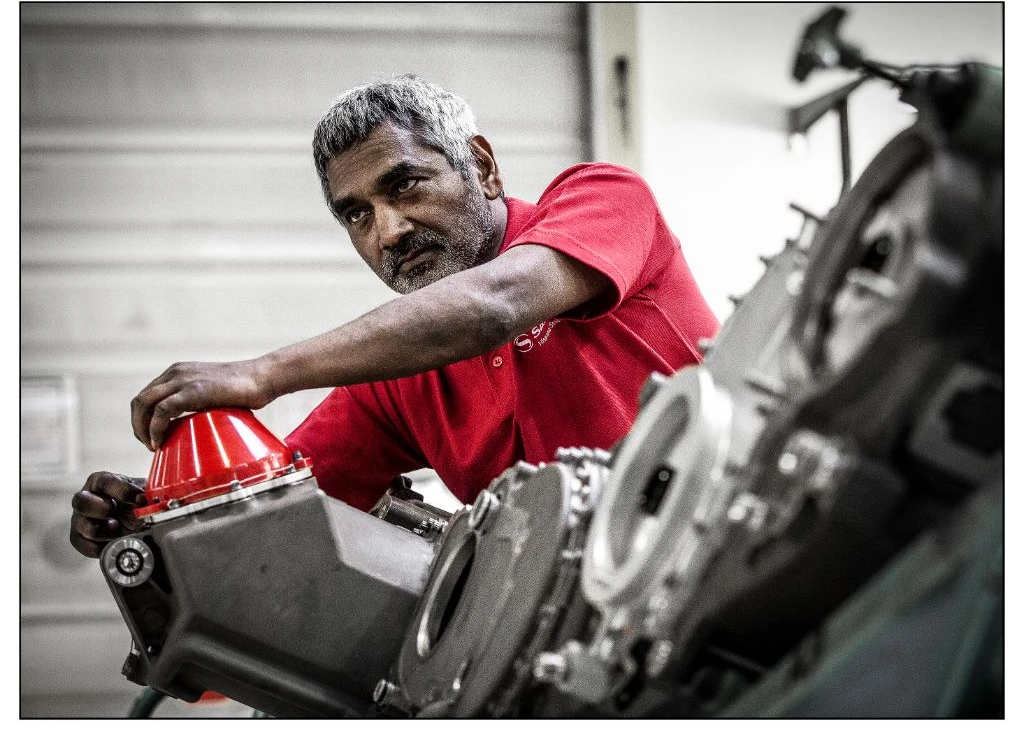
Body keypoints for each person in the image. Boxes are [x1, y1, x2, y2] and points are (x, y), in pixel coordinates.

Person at [70, 75, 720, 558]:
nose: (388, 231)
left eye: (404, 185)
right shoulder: (398, 377)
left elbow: (494, 305)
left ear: (483, 168)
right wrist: (153, 519)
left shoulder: (604, 198)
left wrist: (263, 373)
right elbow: (275, 518)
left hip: (723, 537)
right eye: (356, 214)